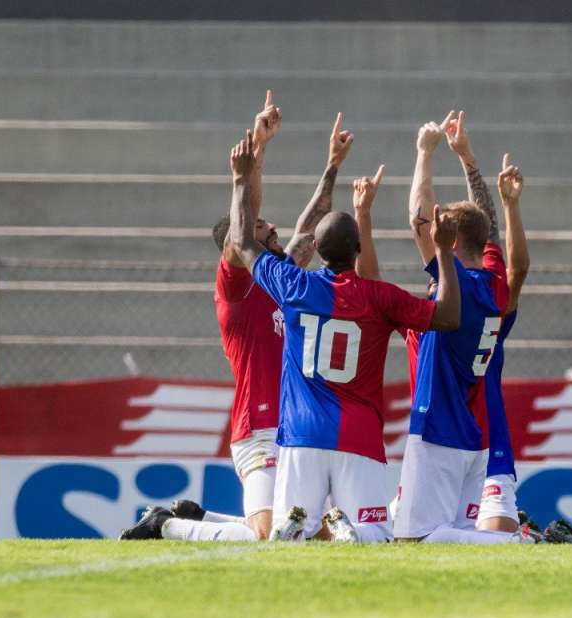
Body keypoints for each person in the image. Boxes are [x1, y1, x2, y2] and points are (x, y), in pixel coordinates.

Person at [120, 94, 354, 542]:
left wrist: (332, 164)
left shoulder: (279, 277)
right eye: (262, 224)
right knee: (271, 537)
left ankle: (198, 516)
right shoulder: (236, 285)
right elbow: (243, 225)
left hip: (295, 425)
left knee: (310, 535)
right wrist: (256, 157)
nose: (271, 228)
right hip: (259, 424)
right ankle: (167, 525)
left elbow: (312, 224)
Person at [227, 128, 462, 543]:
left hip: (300, 436)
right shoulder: (380, 297)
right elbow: (447, 317)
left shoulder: (295, 286)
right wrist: (443, 252)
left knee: (288, 542)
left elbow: (244, 242)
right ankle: (341, 527)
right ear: (358, 249)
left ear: (316, 250)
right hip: (358, 436)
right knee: (374, 539)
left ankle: (316, 528)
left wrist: (241, 180)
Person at [393, 112, 537, 544]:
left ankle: (520, 542)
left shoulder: (450, 284)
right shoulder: (496, 286)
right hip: (475, 429)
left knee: (415, 538)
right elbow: (512, 258)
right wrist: (474, 167)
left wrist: (425, 153)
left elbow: (419, 219)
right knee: (453, 534)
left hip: (440, 423)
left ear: (451, 244)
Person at [441, 112, 531, 534]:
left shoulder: (479, 296)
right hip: (440, 441)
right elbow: (493, 238)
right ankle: (532, 537)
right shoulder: (447, 298)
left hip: (486, 444)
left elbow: (505, 257)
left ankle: (528, 538)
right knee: (417, 537)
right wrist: (470, 163)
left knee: (492, 535)